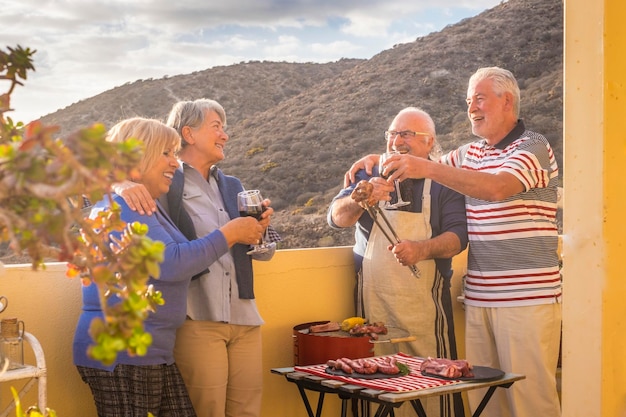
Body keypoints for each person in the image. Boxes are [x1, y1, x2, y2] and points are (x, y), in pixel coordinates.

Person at [346, 67, 562, 417]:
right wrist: (378, 159)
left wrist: (424, 168)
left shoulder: (533, 146)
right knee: (484, 401)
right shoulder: (470, 154)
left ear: (507, 101)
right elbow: (420, 161)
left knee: (530, 400)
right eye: (467, 102)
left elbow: (495, 187)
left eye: (479, 98)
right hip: (479, 297)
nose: (471, 108)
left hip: (527, 299)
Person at [73, 117, 265, 417]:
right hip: (124, 352)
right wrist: (230, 233)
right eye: (166, 153)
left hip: (152, 352)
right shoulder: (122, 207)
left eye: (175, 153)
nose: (175, 163)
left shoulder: (146, 204)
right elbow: (171, 263)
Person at [117, 99, 278, 417]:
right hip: (197, 316)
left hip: (244, 316)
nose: (225, 135)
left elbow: (267, 251)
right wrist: (120, 184)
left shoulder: (233, 185)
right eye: (217, 126)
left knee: (248, 411)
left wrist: (262, 231)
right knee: (207, 410)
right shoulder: (166, 180)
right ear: (188, 133)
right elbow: (108, 198)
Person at [328, 107, 468, 417]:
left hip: (426, 314)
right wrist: (358, 199)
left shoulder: (443, 181)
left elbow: (459, 237)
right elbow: (336, 219)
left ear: (429, 142)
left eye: (407, 134)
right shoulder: (366, 174)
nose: (397, 141)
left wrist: (421, 249)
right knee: (374, 392)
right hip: (372, 313)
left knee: (432, 394)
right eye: (393, 133)